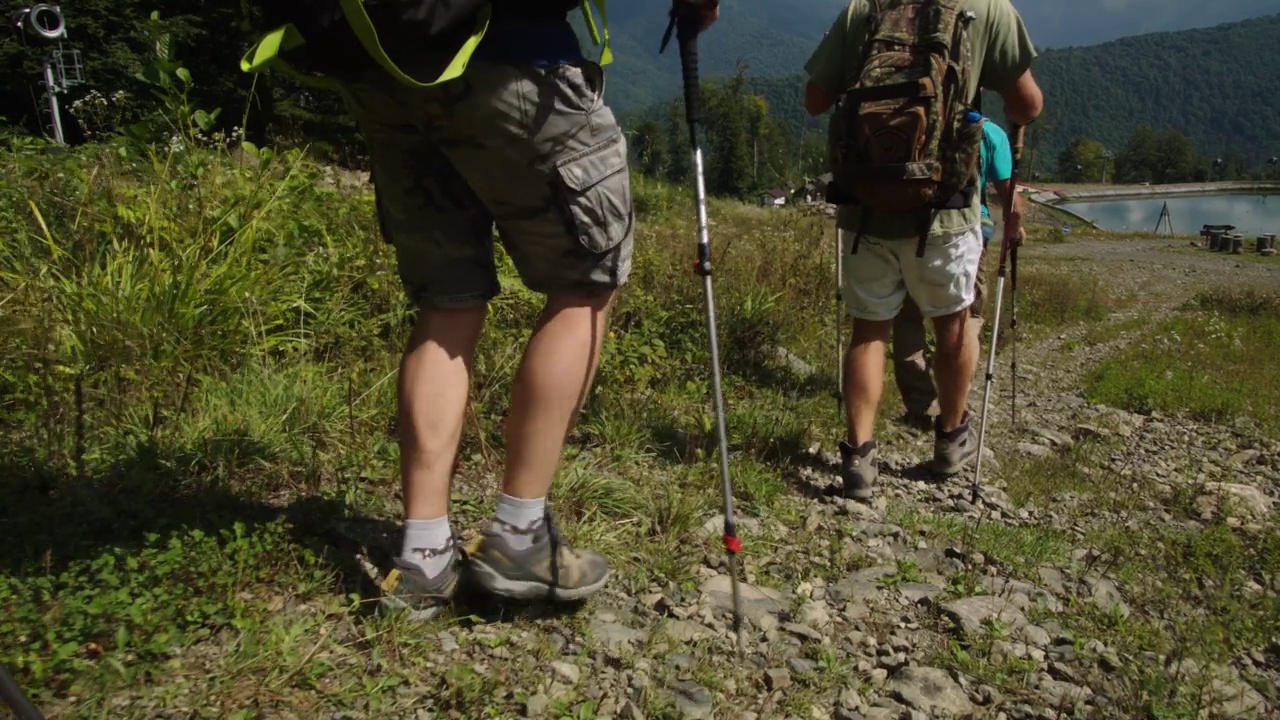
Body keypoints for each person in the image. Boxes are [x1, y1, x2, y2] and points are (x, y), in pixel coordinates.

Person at [326, 0, 722, 619]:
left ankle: (424, 558)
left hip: (387, 70)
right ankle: (518, 537)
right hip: (512, 52)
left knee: (445, 302)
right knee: (585, 284)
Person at [802, 0, 1043, 500]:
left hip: (867, 206)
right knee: (953, 323)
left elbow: (815, 99)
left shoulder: (864, 8)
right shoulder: (987, 8)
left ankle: (859, 456)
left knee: (869, 330)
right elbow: (1027, 106)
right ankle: (951, 438)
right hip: (945, 208)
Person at [892, 116, 1027, 430]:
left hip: (908, 226)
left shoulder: (913, 117)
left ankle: (920, 404)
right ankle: (954, 412)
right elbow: (1012, 202)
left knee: (908, 316)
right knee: (966, 318)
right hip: (965, 231)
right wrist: (1016, 229)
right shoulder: (988, 132)